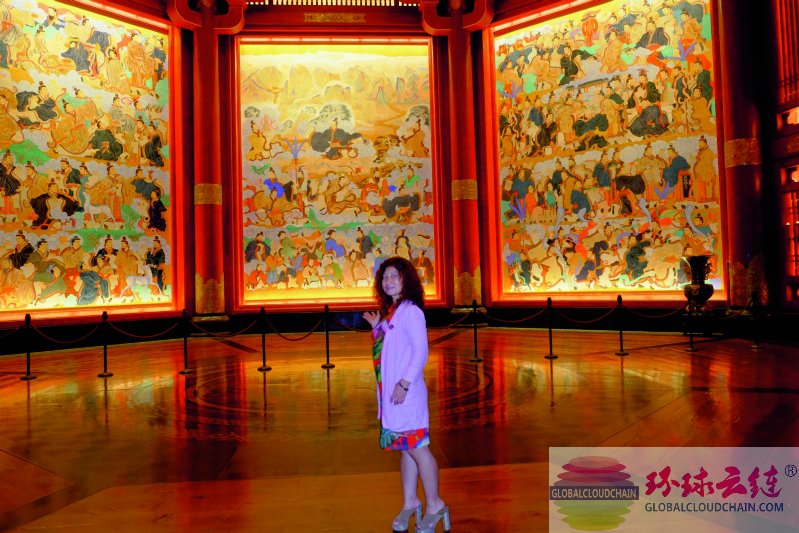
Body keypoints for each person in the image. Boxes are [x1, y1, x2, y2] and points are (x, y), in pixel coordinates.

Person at [362, 257, 449, 533]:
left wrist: (404, 384)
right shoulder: (393, 312)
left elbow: (420, 352)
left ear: (406, 280)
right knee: (405, 448)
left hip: (406, 394)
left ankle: (435, 504)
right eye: (385, 276)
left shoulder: (411, 311)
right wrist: (377, 327)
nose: (388, 281)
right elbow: (391, 347)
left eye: (394, 275)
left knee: (418, 449)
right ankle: (411, 501)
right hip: (395, 395)